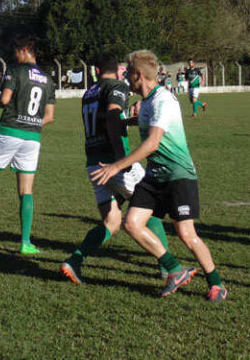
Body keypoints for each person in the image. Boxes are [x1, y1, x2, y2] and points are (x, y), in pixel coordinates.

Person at [91, 50, 227, 302]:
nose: (125, 78)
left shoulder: (163, 100)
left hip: (178, 175)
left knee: (186, 233)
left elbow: (153, 142)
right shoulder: (147, 100)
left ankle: (216, 283)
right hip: (155, 176)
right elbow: (142, 122)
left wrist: (117, 166)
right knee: (131, 223)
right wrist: (119, 121)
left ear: (138, 74)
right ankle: (175, 269)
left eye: (128, 73)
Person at [61, 53, 170, 283]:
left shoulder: (89, 92)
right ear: (117, 71)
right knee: (152, 208)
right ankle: (168, 266)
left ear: (96, 71)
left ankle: (74, 261)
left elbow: (108, 120)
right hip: (113, 163)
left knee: (112, 222)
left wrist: (129, 121)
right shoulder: (116, 86)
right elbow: (111, 115)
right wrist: (122, 159)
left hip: (93, 164)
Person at [0, 36, 56, 254]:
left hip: (9, 130)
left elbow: (5, 100)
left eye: (16, 51)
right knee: (26, 189)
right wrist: (32, 123)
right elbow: (50, 116)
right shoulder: (48, 78)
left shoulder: (15, 70)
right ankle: (26, 243)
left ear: (25, 50)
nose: (14, 55)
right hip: (33, 137)